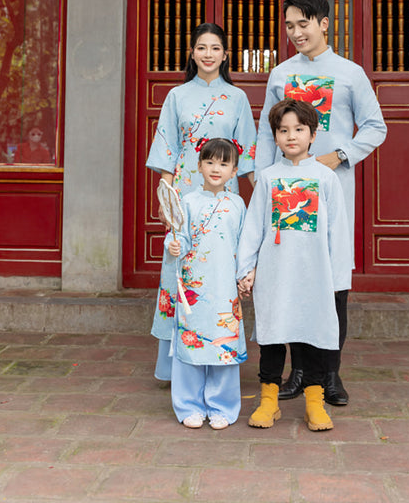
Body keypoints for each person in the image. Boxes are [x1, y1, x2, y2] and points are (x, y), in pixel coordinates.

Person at [254, 0, 387, 406]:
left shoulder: (350, 74)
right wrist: (263, 182)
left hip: (330, 195)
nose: (295, 32)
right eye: (289, 25)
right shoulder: (280, 75)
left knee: (331, 286)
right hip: (287, 194)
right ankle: (297, 374)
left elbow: (375, 126)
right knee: (289, 282)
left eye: (303, 23)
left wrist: (338, 155)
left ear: (324, 23)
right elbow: (263, 134)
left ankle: (330, 374)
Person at [146, 23, 256, 382]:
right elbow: (168, 151)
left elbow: (247, 154)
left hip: (224, 198)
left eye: (215, 48)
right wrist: (167, 199)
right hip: (185, 194)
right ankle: (176, 365)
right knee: (180, 271)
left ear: (225, 55)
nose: (208, 54)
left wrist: (262, 200)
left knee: (220, 276)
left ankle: (220, 355)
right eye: (201, 48)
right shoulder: (177, 96)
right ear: (192, 54)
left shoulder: (237, 99)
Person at [237, 98, 351, 431]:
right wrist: (246, 269)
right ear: (274, 137)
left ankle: (314, 404)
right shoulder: (269, 178)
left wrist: (337, 277)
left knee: (311, 336)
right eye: (283, 130)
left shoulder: (325, 179)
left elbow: (337, 231)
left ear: (313, 135)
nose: (291, 136)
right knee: (272, 337)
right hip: (275, 272)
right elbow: (253, 227)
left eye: (299, 129)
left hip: (314, 273)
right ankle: (268, 401)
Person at [166, 138, 247, 430]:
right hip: (193, 288)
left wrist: (246, 275)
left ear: (234, 171)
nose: (216, 168)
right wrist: (174, 244)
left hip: (225, 287)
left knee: (223, 346)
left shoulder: (237, 204)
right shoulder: (187, 202)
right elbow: (178, 234)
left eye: (224, 164)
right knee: (192, 344)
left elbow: (245, 244)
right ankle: (189, 405)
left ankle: (222, 406)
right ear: (199, 166)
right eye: (210, 162)